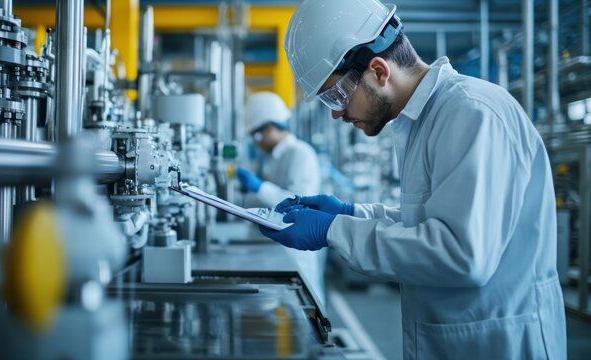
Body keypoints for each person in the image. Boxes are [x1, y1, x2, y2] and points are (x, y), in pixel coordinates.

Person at [260, 1, 567, 359]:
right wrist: (351, 212)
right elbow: (429, 223)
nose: (337, 113)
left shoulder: (472, 112)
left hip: (504, 343)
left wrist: (334, 230)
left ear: (378, 71)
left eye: (338, 94)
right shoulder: (423, 119)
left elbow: (461, 254)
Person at [237, 91, 326, 305]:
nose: (256, 143)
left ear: (268, 128)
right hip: (277, 252)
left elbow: (298, 204)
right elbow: (267, 203)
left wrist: (259, 187)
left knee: (303, 312)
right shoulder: (275, 157)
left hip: (294, 254)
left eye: (256, 136)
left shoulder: (300, 154)